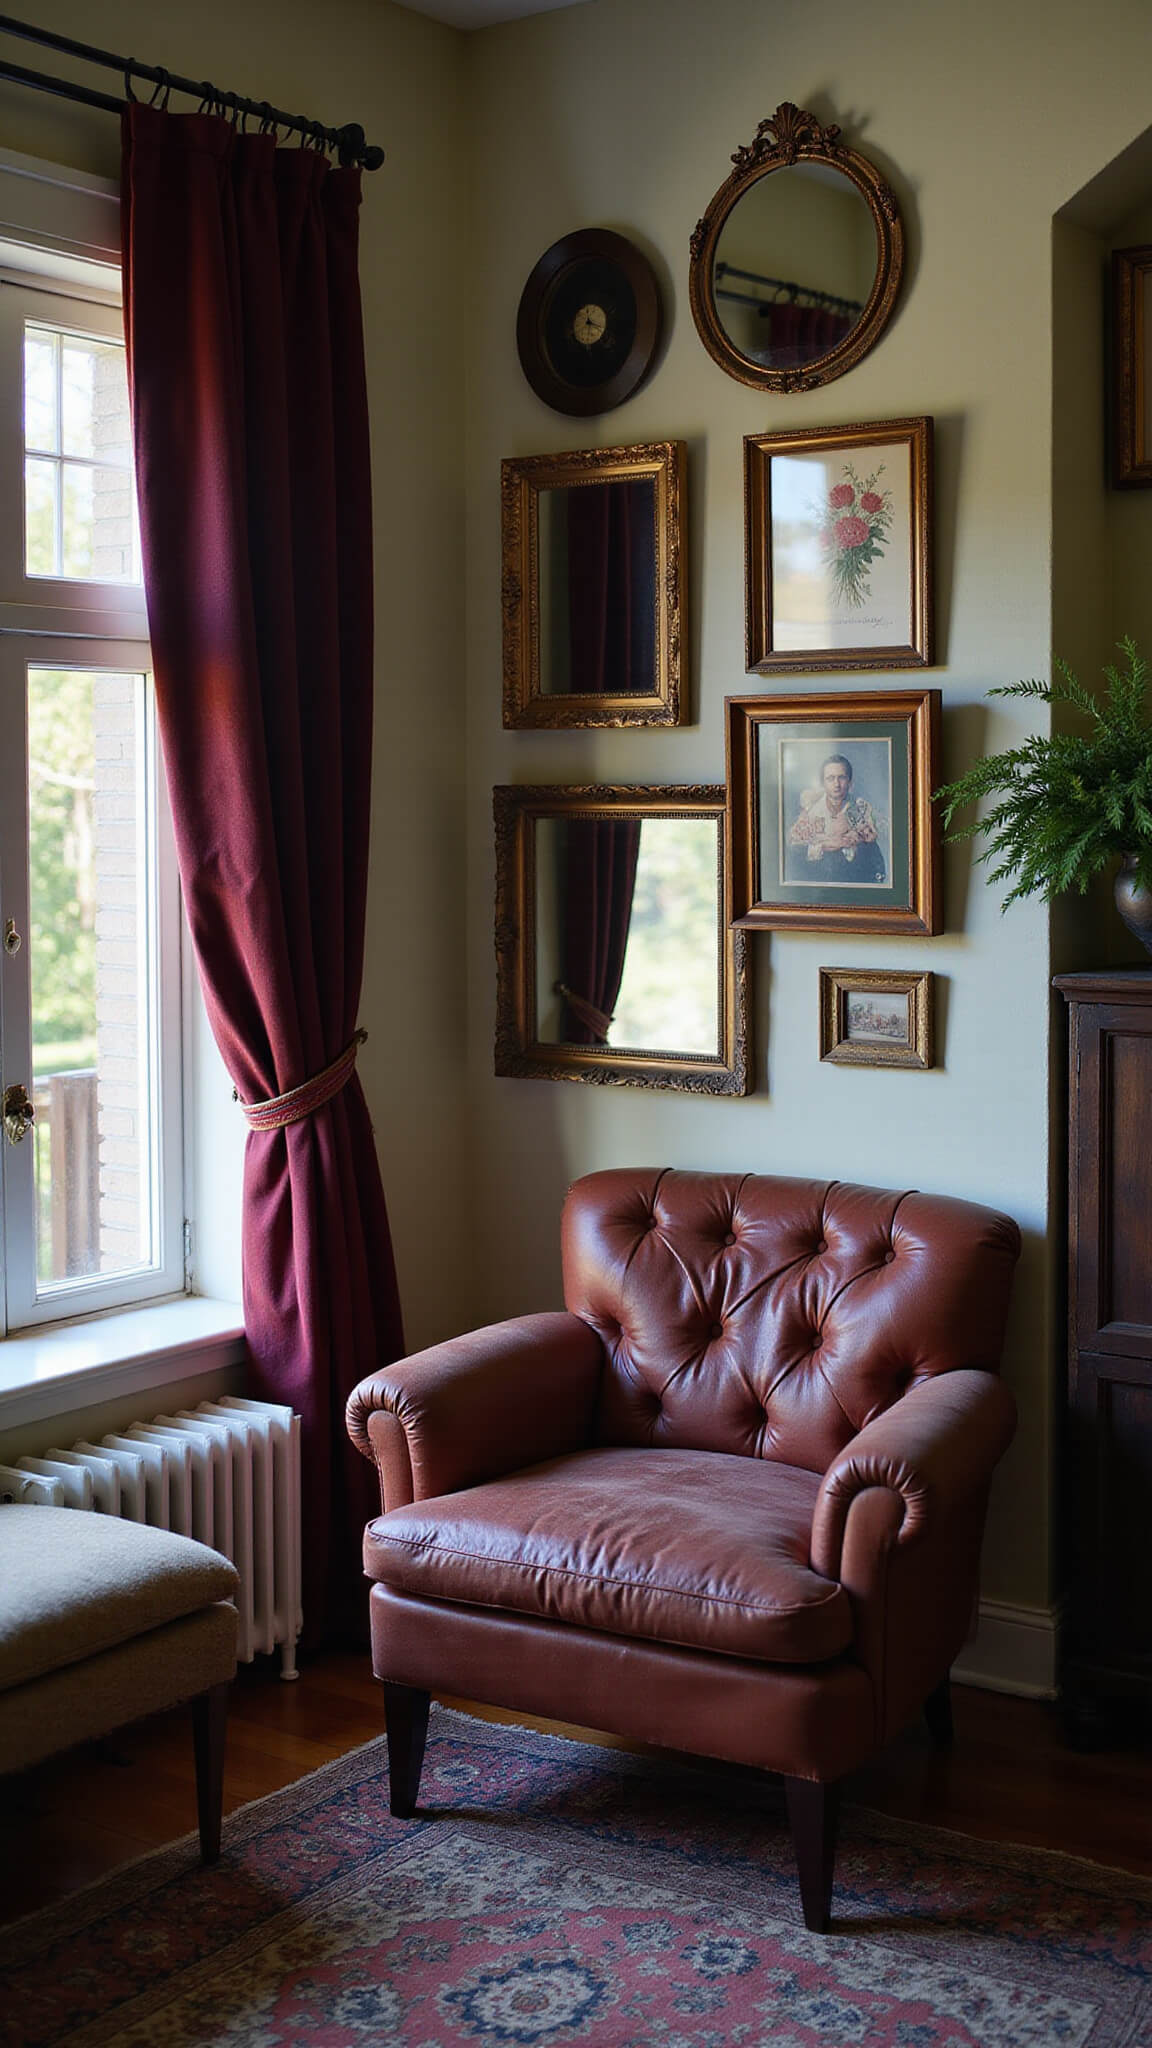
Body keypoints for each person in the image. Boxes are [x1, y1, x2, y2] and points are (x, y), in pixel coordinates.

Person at [785, 753, 885, 883]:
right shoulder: (811, 812)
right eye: (830, 778)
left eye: (841, 777)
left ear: (850, 782)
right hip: (816, 881)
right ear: (823, 783)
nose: (836, 784)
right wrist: (824, 846)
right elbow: (794, 853)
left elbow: (875, 863)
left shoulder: (862, 812)